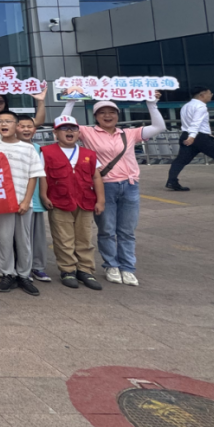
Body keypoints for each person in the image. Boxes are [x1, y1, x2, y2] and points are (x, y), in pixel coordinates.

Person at [62, 95, 166, 287]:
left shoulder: (129, 133)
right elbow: (63, 123)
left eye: (111, 112)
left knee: (127, 230)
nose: (107, 116)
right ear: (95, 116)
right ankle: (111, 265)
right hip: (104, 185)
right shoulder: (87, 132)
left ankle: (128, 268)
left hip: (130, 185)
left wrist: (151, 104)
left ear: (117, 115)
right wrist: (71, 101)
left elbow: (159, 127)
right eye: (102, 113)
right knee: (107, 230)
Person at [0, 111, 45, 297]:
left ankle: (24, 275)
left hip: (23, 202)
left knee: (24, 240)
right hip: (1, 203)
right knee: (3, 239)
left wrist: (27, 201)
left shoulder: (28, 148)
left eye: (8, 121)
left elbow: (33, 176)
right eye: (0, 121)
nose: (4, 124)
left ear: (16, 125)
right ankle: (7, 274)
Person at [40, 116, 105, 290]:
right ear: (55, 133)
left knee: (84, 237)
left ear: (78, 132)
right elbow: (43, 175)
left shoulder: (88, 154)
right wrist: (44, 196)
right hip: (59, 201)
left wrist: (101, 200)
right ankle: (67, 269)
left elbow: (96, 176)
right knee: (63, 238)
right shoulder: (46, 152)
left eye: (73, 128)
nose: (69, 132)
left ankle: (85, 270)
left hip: (85, 201)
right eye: (64, 128)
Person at [167, 86, 214, 193]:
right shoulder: (201, 107)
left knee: (181, 160)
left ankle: (172, 181)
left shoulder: (186, 106)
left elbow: (191, 124)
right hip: (197, 137)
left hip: (187, 135)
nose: (211, 95)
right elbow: (195, 123)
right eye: (210, 93)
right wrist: (193, 137)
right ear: (202, 95)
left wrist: (207, 134)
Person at [16, 115, 50, 284]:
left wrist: (43, 195)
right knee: (22, 237)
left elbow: (41, 174)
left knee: (37, 236)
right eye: (22, 126)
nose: (26, 129)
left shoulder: (38, 149)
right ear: (16, 128)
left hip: (35, 199)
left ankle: (38, 266)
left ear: (35, 130)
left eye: (30, 126)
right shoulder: (11, 147)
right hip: (18, 199)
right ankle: (24, 267)